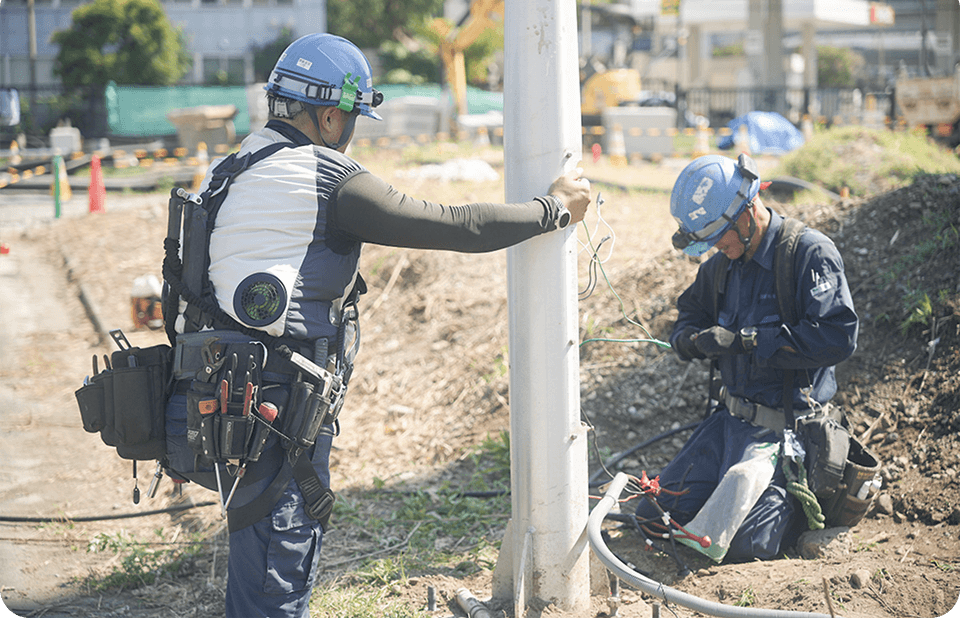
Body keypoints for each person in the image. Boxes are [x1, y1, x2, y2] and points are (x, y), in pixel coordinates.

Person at [160, 33, 591, 618]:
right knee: (275, 573)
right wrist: (553, 209)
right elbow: (453, 225)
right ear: (331, 116)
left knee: (259, 549)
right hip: (276, 404)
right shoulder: (329, 178)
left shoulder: (231, 168)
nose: (353, 130)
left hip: (216, 390)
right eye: (352, 117)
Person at [634, 153, 858, 563]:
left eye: (721, 235)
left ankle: (796, 513)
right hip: (728, 426)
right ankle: (728, 496)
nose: (718, 246)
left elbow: (837, 338)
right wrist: (688, 339)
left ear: (748, 208)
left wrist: (748, 341)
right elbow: (689, 315)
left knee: (744, 548)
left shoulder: (807, 254)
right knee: (652, 517)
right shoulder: (721, 268)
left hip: (786, 434)